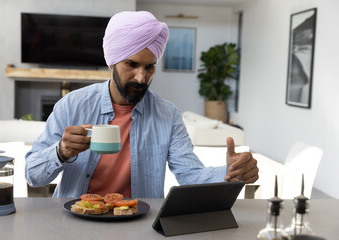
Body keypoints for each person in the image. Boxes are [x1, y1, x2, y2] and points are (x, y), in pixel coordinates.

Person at [25, 11, 258, 198]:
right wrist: (61, 152)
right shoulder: (72, 105)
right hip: (76, 221)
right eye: (132, 64)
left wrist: (230, 173)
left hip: (138, 225)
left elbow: (190, 174)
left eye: (149, 67)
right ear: (112, 62)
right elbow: (33, 175)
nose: (141, 77)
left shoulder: (167, 114)